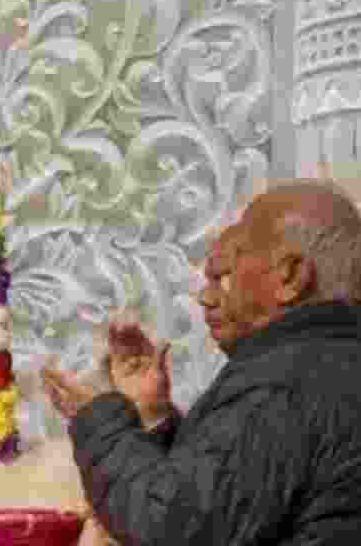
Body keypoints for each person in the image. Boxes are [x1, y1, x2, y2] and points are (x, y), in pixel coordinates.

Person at [42, 180, 361, 546]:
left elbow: (172, 527)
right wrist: (153, 418)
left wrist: (100, 423)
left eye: (231, 268)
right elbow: (233, 498)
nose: (207, 297)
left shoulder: (282, 386)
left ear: (289, 276)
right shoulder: (326, 364)